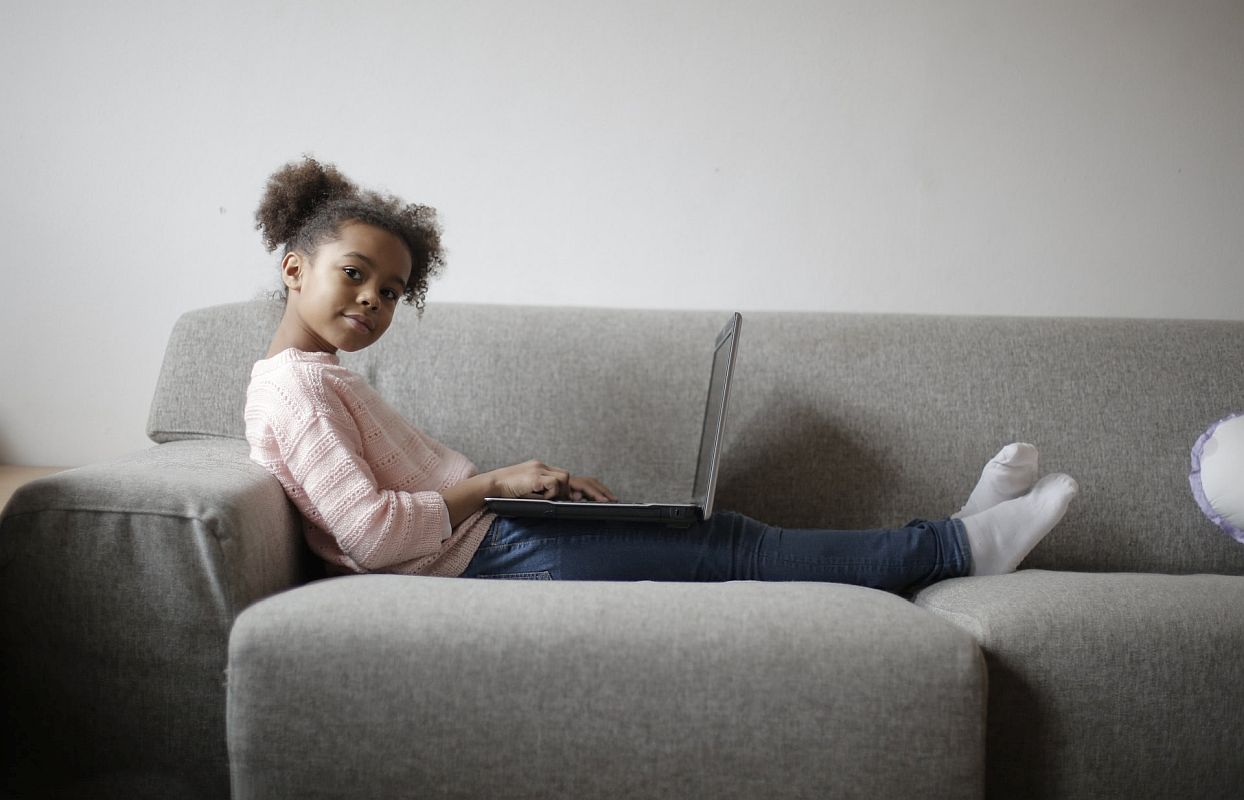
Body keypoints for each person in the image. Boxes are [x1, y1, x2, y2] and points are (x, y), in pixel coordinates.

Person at [244, 156, 1079, 593]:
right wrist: (497, 484)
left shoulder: (314, 378)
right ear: (293, 269)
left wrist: (519, 490)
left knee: (726, 537)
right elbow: (372, 534)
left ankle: (956, 536)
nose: (372, 300)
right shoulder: (298, 387)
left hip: (494, 535)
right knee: (735, 550)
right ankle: (956, 546)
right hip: (488, 555)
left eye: (390, 290)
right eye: (354, 274)